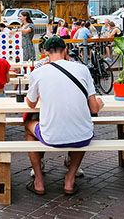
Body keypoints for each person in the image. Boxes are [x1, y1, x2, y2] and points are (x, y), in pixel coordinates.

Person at [24, 37, 103, 195]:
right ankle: (70, 179)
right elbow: (94, 109)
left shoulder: (38, 72)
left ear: (46, 53)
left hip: (51, 136)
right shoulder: (82, 69)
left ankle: (39, 180)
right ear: (65, 50)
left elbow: (30, 104)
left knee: (28, 125)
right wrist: (100, 103)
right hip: (83, 135)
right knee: (82, 129)